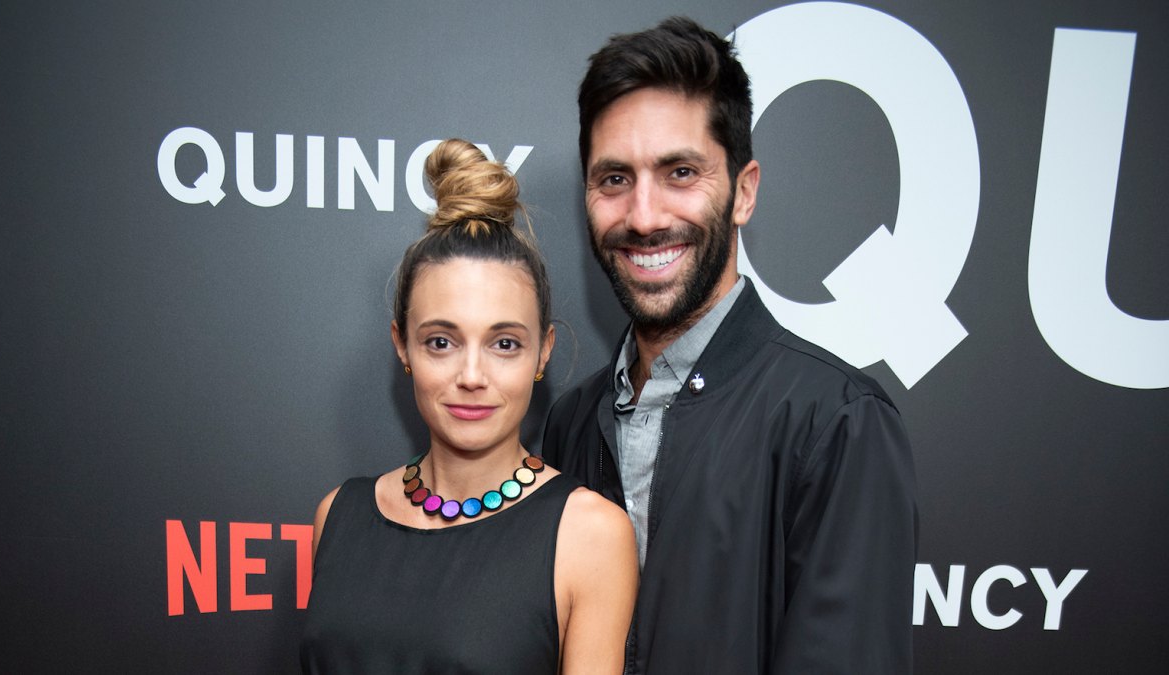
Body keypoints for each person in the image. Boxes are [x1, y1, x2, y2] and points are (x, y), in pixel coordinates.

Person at [542, 17, 918, 673]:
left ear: (744, 191)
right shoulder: (571, 422)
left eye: (680, 172)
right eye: (614, 179)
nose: (645, 215)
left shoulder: (838, 422)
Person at [301, 139, 638, 674]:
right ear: (402, 346)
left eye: (505, 343)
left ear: (542, 352)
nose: (472, 377)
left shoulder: (589, 535)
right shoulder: (338, 515)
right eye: (441, 342)